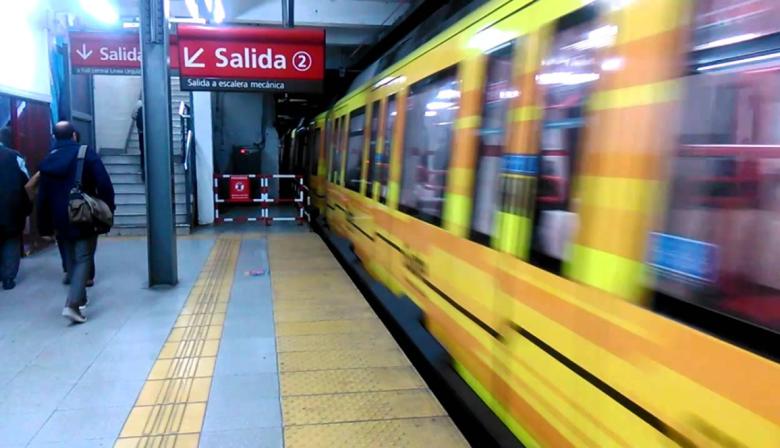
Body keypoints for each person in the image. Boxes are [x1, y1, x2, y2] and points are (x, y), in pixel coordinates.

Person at [38, 121, 115, 323]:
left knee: (71, 258)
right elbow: (104, 183)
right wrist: (108, 207)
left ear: (55, 137)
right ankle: (72, 304)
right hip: (82, 213)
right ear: (73, 135)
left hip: (59, 217)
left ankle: (80, 299)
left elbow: (42, 196)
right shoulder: (85, 153)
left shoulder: (48, 160)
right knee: (84, 257)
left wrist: (44, 225)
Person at [0, 127, 32, 290]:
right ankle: (8, 278)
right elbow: (27, 183)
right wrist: (27, 207)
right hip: (11, 207)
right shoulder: (15, 157)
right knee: (11, 241)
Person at [132, 99, 144, 181]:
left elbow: (133, 116)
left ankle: (143, 170)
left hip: (142, 132)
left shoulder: (139, 103)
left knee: (143, 151)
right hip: (153, 133)